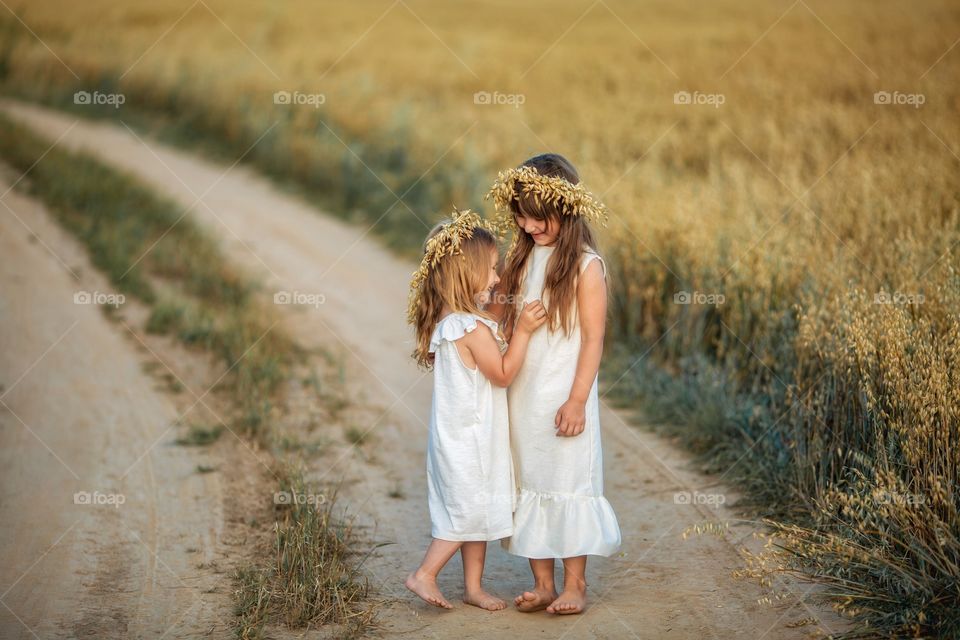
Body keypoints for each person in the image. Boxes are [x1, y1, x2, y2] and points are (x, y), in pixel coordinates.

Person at [405, 210, 547, 610]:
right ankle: (424, 574)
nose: (497, 278)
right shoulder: (472, 329)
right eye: (490, 268)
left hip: (457, 437)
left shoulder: (452, 323)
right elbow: (502, 374)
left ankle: (473, 588)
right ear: (467, 273)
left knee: (476, 514)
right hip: (470, 442)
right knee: (467, 514)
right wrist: (523, 332)